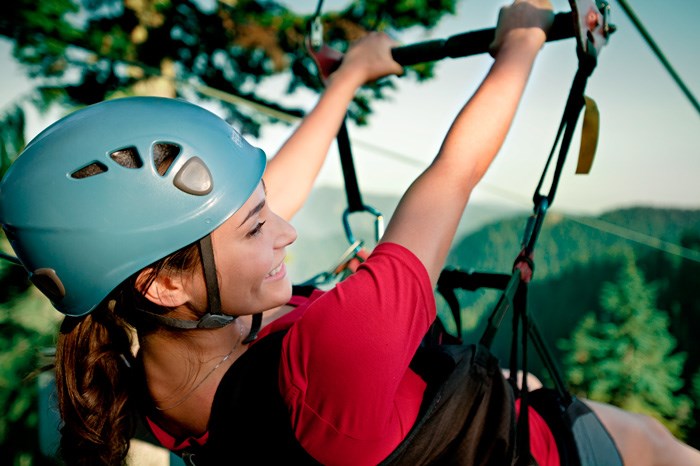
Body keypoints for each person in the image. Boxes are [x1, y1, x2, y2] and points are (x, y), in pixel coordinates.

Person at [1, 0, 699, 465]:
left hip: (447, 407)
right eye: (257, 224)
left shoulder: (145, 378)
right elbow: (449, 177)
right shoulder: (333, 350)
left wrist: (348, 79)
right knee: (662, 447)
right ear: (162, 282)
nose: (285, 231)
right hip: (540, 448)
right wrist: (519, 44)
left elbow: (254, 212)